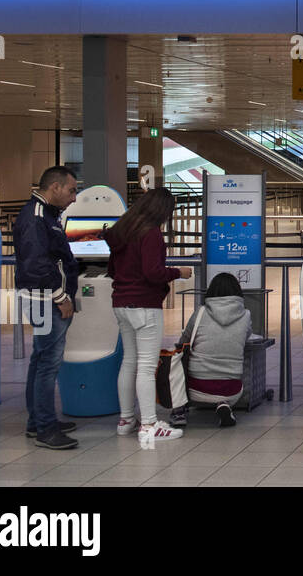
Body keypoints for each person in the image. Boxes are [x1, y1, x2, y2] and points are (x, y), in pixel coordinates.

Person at [106, 187, 192, 445]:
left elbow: (112, 269)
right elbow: (153, 272)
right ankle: (149, 424)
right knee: (145, 366)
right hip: (144, 305)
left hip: (121, 303)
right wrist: (179, 272)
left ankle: (126, 420)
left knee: (129, 362)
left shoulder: (122, 231)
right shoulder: (151, 233)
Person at [14, 165, 81, 450]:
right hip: (46, 300)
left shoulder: (47, 215)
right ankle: (45, 428)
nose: (74, 197)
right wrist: (60, 297)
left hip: (44, 298)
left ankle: (37, 422)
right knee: (47, 364)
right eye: (71, 190)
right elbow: (37, 264)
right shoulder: (37, 217)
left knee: (40, 360)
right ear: (54, 187)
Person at [177, 272, 252, 427]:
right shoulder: (246, 315)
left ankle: (178, 409)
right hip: (232, 388)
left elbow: (183, 341)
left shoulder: (200, 312)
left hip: (195, 386)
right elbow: (246, 338)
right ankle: (223, 404)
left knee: (178, 360)